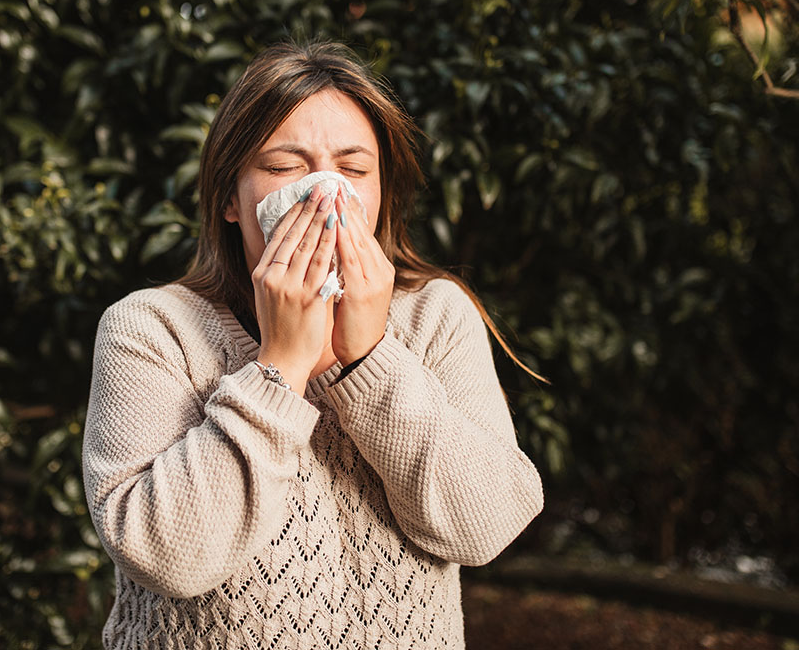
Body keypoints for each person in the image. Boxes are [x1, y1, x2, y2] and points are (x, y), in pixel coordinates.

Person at [82, 40, 544, 649]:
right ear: (229, 197)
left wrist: (370, 358)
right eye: (283, 167)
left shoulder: (436, 316)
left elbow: (485, 528)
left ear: (381, 194)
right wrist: (281, 365)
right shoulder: (150, 329)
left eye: (352, 170)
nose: (325, 193)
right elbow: (168, 557)